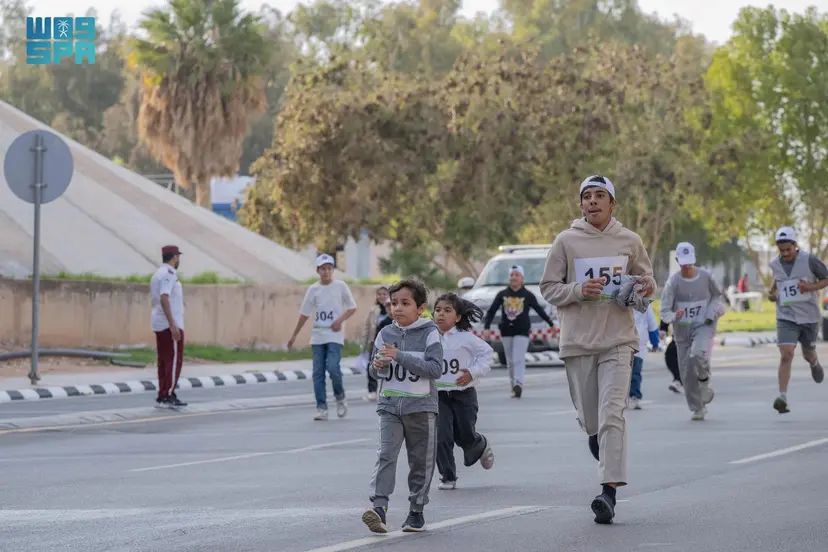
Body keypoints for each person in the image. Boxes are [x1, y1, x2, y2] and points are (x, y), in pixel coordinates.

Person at [540, 174, 655, 525]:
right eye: (586, 196)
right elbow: (548, 287)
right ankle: (598, 442)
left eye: (599, 196)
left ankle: (608, 493)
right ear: (581, 204)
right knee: (593, 422)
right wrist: (578, 290)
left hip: (619, 340)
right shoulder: (566, 241)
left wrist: (645, 287)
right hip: (578, 342)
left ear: (612, 204)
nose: (592, 201)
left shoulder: (630, 240)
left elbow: (647, 283)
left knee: (612, 416)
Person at [362, 278, 443, 534]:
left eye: (404, 303)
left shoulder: (430, 332)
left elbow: (434, 368)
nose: (397, 308)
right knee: (386, 455)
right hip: (389, 407)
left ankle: (416, 511)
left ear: (420, 308)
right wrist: (377, 366)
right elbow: (375, 373)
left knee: (420, 462)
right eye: (393, 303)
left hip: (421, 409)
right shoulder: (385, 333)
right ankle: (379, 509)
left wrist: (400, 356)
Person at [432, 293, 496, 490]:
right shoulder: (429, 338)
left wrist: (473, 373)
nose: (441, 314)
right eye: (438, 310)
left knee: (465, 434)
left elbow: (487, 355)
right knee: (442, 435)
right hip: (439, 395)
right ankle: (447, 476)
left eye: (447, 310)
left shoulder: (466, 338)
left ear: (458, 317)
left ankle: (479, 444)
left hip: (464, 394)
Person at [659, 242, 725, 421]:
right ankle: (697, 407)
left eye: (690, 261)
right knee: (686, 373)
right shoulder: (673, 283)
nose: (687, 266)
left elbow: (717, 295)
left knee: (698, 354)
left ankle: (704, 379)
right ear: (677, 261)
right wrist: (674, 315)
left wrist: (713, 310)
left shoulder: (706, 277)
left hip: (703, 325)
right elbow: (664, 311)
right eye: (683, 262)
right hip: (682, 332)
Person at [288, 254, 358, 421]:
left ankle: (340, 398)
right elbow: (304, 314)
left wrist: (339, 321)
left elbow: (352, 307)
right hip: (318, 337)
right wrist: (294, 336)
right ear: (318, 270)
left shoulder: (340, 286)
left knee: (333, 368)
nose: (326, 272)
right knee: (318, 373)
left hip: (334, 336)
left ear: (332, 270)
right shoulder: (313, 290)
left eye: (329, 268)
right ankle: (322, 408)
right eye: (323, 269)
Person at [767, 227, 827, 414]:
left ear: (795, 245)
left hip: (808, 316)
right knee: (786, 354)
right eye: (781, 250)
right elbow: (778, 280)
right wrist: (771, 293)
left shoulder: (809, 260)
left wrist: (809, 287)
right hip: (786, 316)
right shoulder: (775, 263)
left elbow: (826, 279)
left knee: (808, 353)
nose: (785, 254)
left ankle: (814, 363)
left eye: (788, 250)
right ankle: (782, 397)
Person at [482, 265, 554, 398]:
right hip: (506, 331)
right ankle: (513, 385)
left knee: (518, 359)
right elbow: (491, 311)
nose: (514, 277)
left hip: (522, 331)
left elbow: (539, 310)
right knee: (510, 361)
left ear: (522, 278)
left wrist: (551, 324)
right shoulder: (502, 294)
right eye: (512, 275)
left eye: (517, 275)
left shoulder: (527, 295)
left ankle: (519, 383)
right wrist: (486, 327)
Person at [150, 245, 188, 409]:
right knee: (173, 360)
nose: (178, 260)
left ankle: (163, 393)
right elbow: (164, 298)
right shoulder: (169, 274)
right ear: (174, 257)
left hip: (160, 323)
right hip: (169, 325)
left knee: (164, 361)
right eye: (177, 257)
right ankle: (168, 393)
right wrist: (173, 326)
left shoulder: (158, 273)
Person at [360, 286, 391, 401]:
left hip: (390, 343)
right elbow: (367, 327)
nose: (382, 296)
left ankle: (387, 390)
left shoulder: (394, 309)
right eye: (380, 294)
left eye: (384, 294)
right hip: (374, 341)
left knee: (387, 367)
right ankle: (372, 390)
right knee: (372, 365)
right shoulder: (374, 310)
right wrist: (364, 343)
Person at [629, 304, 659, 410]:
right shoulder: (619, 300)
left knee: (635, 373)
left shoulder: (644, 304)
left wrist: (655, 342)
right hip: (621, 342)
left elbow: (652, 324)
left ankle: (634, 396)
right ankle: (620, 397)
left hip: (638, 344)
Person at [660, 321, 683, 394]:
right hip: (678, 335)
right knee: (670, 355)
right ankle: (678, 379)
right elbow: (667, 312)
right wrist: (663, 328)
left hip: (694, 333)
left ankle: (701, 380)